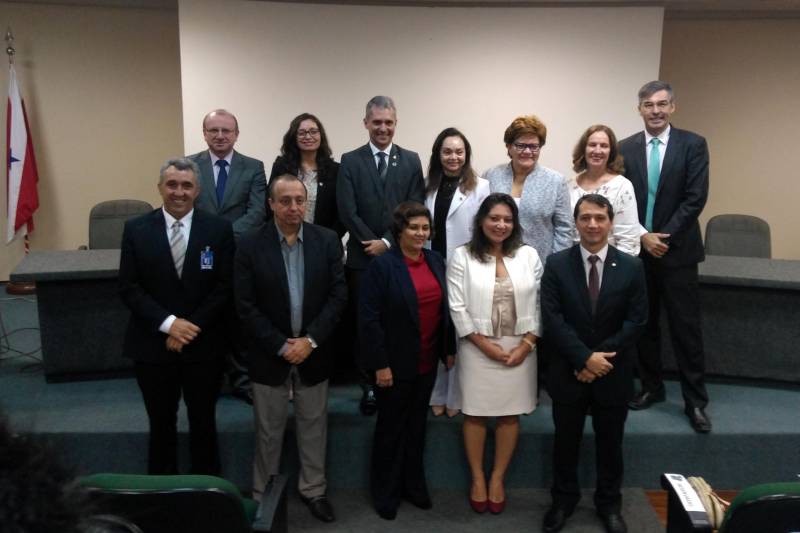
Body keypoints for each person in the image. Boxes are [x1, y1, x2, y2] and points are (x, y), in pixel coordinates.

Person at [234, 174, 347, 522]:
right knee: (268, 431)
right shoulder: (250, 245)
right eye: (285, 201)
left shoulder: (327, 241)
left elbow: (338, 296)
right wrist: (281, 345)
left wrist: (309, 341)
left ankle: (313, 490)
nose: (294, 207)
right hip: (270, 354)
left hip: (313, 351)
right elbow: (244, 304)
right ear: (271, 204)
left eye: (300, 200)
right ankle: (264, 496)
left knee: (314, 426)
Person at [119, 158, 234, 475]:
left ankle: (207, 498)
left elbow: (225, 287)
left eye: (186, 185)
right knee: (160, 424)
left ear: (197, 190)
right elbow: (129, 287)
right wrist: (170, 325)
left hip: (203, 345)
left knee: (203, 422)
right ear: (159, 188)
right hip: (152, 345)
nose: (179, 192)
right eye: (172, 184)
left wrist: (188, 328)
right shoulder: (136, 229)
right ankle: (162, 498)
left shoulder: (219, 229)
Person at [540, 194, 648, 533]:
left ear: (611, 222)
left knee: (610, 444)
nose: (593, 224)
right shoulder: (557, 264)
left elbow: (637, 321)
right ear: (576, 222)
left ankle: (608, 504)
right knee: (565, 442)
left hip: (612, 372)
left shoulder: (632, 266)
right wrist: (583, 358)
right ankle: (563, 500)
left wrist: (599, 358)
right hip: (568, 370)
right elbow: (553, 319)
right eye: (585, 217)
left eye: (600, 218)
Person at [618, 81, 712, 433]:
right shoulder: (624, 148)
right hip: (638, 251)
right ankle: (652, 388)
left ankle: (696, 401)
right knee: (644, 326)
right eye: (648, 104)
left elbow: (695, 197)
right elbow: (621, 201)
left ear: (673, 107)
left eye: (662, 104)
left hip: (679, 253)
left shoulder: (693, 144)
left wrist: (663, 238)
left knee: (685, 329)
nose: (655, 110)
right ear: (639, 109)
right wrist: (643, 237)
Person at [447, 193, 542, 515]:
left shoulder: (528, 255)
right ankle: (477, 478)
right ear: (481, 221)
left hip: (521, 345)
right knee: (474, 413)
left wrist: (527, 344)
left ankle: (498, 478)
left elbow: (544, 302)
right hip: (477, 346)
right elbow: (457, 306)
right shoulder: (462, 256)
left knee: (509, 415)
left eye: (507, 219)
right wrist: (484, 345)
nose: (500, 225)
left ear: (514, 224)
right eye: (494, 218)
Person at [358, 201, 454, 520]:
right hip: (393, 367)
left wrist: (448, 348)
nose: (420, 233)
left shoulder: (436, 260)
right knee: (391, 430)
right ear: (400, 229)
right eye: (413, 227)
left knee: (417, 428)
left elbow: (445, 311)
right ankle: (386, 492)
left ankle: (413, 485)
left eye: (425, 228)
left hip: (427, 363)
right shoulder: (382, 267)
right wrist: (380, 365)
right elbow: (369, 320)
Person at [337, 95, 425, 415]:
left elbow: (414, 208)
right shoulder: (350, 160)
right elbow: (347, 210)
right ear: (366, 123)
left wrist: (387, 243)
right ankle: (369, 385)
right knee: (367, 324)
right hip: (362, 260)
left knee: (398, 322)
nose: (383, 128)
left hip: (401, 257)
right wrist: (371, 243)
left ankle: (397, 379)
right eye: (377, 122)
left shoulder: (412, 160)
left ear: (395, 123)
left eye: (388, 122)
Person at [188, 108, 268, 404]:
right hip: (200, 254)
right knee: (206, 315)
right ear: (204, 133)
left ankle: (242, 379)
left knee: (238, 319)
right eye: (214, 130)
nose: (220, 136)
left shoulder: (254, 167)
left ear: (236, 134)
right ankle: (210, 378)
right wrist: (211, 238)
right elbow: (186, 207)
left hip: (240, 254)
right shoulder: (189, 166)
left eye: (226, 130)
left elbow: (257, 211)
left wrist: (223, 237)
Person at [423, 127, 490, 417]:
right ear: (438, 155)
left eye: (459, 151)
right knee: (435, 329)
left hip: (465, 267)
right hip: (432, 266)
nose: (453, 157)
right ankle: (438, 392)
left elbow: (484, 231)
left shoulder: (482, 187)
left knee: (462, 332)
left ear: (466, 155)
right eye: (447, 151)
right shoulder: (427, 185)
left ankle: (457, 395)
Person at [484, 115, 573, 262]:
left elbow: (564, 230)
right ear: (509, 146)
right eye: (520, 145)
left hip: (540, 263)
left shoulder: (556, 181)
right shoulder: (491, 175)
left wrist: (555, 266)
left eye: (533, 146)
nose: (527, 151)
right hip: (494, 261)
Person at [568, 125, 641, 256]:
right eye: (592, 145)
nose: (597, 150)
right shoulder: (569, 186)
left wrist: (615, 272)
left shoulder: (622, 186)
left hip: (611, 266)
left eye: (604, 146)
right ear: (584, 149)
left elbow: (629, 241)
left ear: (611, 152)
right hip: (574, 264)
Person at [269, 113, 343, 235]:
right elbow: (271, 205)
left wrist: (330, 239)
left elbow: (341, 212)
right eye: (302, 133)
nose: (308, 136)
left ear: (321, 136)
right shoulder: (281, 166)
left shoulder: (335, 170)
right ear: (294, 137)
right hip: (284, 238)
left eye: (313, 131)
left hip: (324, 241)